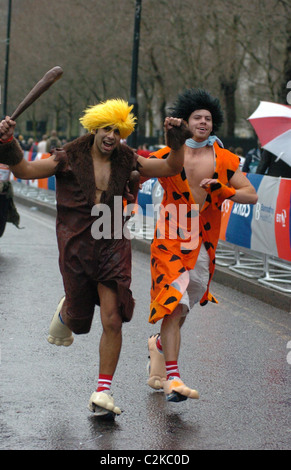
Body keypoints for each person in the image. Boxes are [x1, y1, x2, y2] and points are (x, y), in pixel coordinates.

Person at [0, 98, 191, 419]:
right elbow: (25, 170)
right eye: (106, 129)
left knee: (113, 318)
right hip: (76, 248)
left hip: (113, 245)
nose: (111, 136)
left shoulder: (128, 159)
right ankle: (68, 311)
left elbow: (171, 167)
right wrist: (7, 142)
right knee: (78, 316)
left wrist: (177, 142)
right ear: (94, 128)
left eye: (118, 130)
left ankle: (103, 390)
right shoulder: (67, 158)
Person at [147, 89, 258, 403]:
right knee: (173, 303)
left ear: (214, 124)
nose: (203, 122)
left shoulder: (224, 158)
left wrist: (223, 189)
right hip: (170, 234)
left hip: (203, 242)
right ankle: (174, 378)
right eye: (197, 117)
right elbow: (135, 172)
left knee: (182, 308)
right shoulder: (168, 154)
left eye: (208, 118)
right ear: (186, 121)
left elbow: (251, 195)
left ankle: (158, 346)